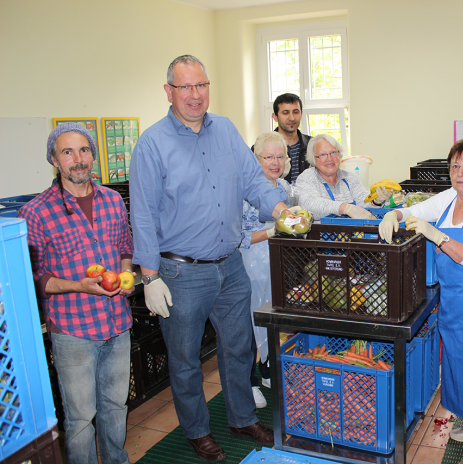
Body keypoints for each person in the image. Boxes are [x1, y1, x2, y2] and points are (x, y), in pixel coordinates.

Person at [129, 55, 290, 462]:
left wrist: (279, 209)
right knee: (184, 360)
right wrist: (149, 277)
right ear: (169, 91)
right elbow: (143, 213)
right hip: (180, 272)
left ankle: (240, 417)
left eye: (201, 85)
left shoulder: (226, 131)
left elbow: (255, 180)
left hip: (230, 263)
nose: (195, 95)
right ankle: (197, 431)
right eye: (185, 87)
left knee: (237, 348)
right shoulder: (152, 144)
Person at [379, 139, 463, 464]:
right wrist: (394, 214)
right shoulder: (448, 199)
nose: (461, 173)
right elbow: (413, 211)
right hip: (456, 299)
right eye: (456, 166)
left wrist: (437, 235)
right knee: (461, 366)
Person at [19, 123, 135, 464]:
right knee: (81, 417)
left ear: (93, 156)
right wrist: (77, 285)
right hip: (73, 330)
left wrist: (126, 272)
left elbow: (125, 247)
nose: (78, 159)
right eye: (67, 152)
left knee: (116, 405)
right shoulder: (37, 212)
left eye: (84, 150)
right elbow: (36, 278)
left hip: (118, 323)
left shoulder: (113, 200)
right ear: (54, 160)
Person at [241, 132, 296, 408]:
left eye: (280, 156)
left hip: (277, 265)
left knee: (273, 317)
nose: (275, 162)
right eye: (268, 157)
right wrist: (273, 231)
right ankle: (248, 382)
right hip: (250, 266)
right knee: (250, 323)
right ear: (256, 158)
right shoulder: (244, 191)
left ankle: (267, 372)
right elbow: (238, 237)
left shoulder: (284, 188)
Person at [295, 133, 387, 219]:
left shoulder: (351, 177)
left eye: (333, 153)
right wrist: (345, 208)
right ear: (313, 159)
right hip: (322, 235)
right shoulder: (306, 178)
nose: (329, 159)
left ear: (339, 155)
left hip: (354, 234)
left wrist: (375, 202)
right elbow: (309, 205)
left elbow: (364, 204)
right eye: (323, 155)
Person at [251, 93, 312, 183]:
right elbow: (252, 182)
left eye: (295, 112)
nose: (291, 118)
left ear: (301, 114)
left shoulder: (312, 145)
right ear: (275, 117)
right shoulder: (260, 148)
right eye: (285, 113)